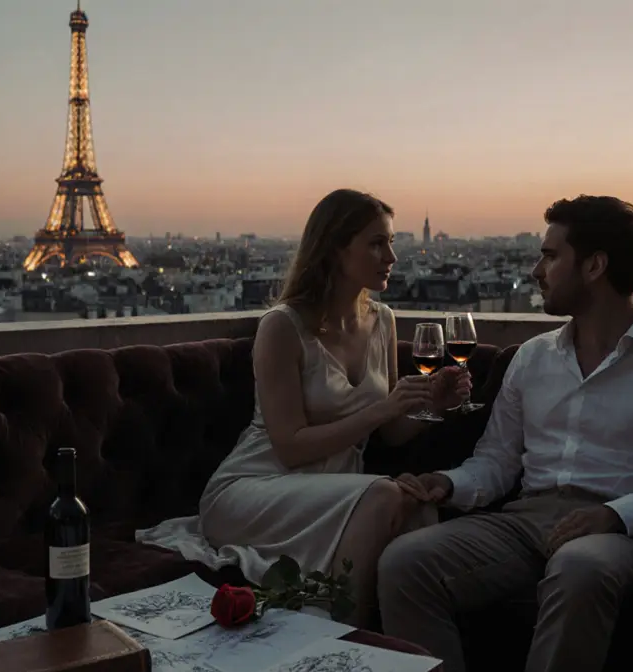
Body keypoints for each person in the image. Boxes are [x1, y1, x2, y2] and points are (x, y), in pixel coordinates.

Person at [377, 195, 633, 672]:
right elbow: (496, 462)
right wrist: (445, 483)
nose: (536, 271)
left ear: (594, 265)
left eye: (549, 256)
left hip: (617, 531)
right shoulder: (532, 358)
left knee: (579, 568)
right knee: (405, 562)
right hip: (527, 519)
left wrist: (611, 515)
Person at [137, 188, 469, 628]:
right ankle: (344, 639)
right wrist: (384, 408)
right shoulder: (282, 327)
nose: (391, 255)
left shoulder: (382, 321)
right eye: (376, 243)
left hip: (331, 492)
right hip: (256, 486)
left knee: (419, 509)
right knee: (389, 493)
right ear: (334, 248)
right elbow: (290, 447)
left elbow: (390, 433)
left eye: (390, 242)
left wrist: (436, 406)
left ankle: (409, 657)